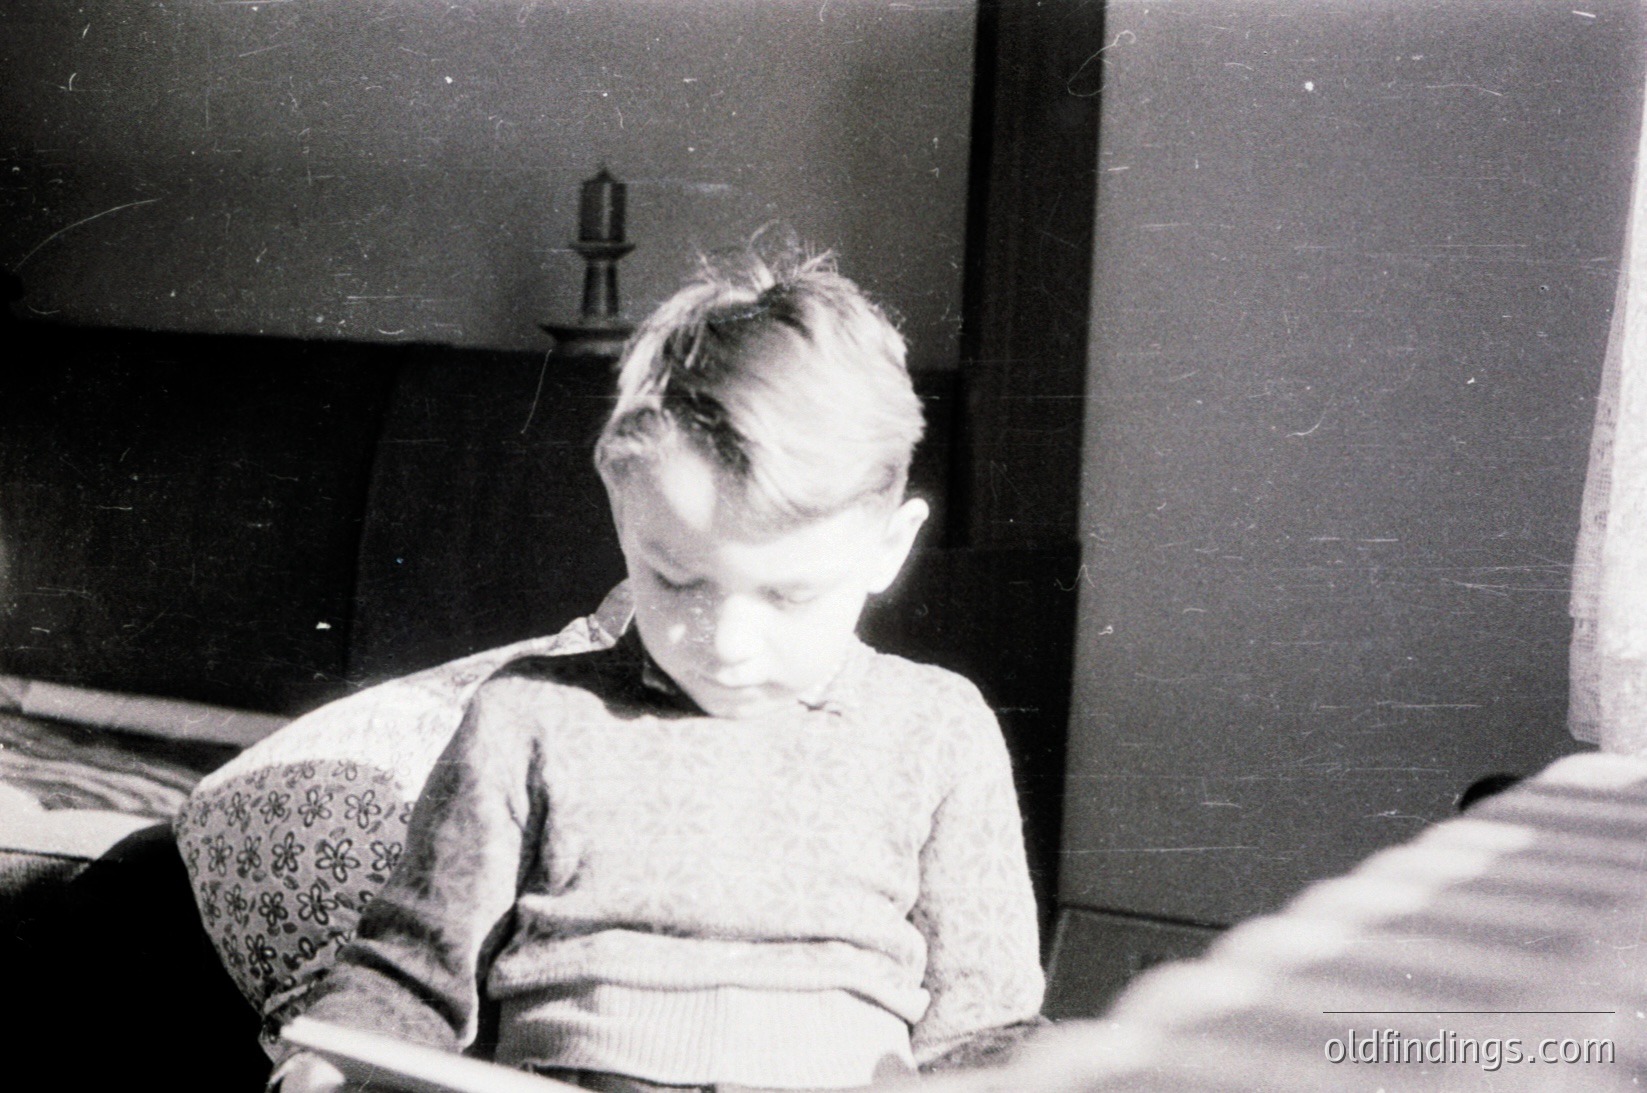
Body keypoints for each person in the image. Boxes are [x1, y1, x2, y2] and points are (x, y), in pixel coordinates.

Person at [273, 246, 1045, 1092]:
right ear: (621, 508)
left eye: (788, 595)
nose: (728, 641)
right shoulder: (528, 716)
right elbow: (408, 977)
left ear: (886, 549)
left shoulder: (936, 726)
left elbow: (985, 1028)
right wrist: (329, 1061)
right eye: (679, 579)